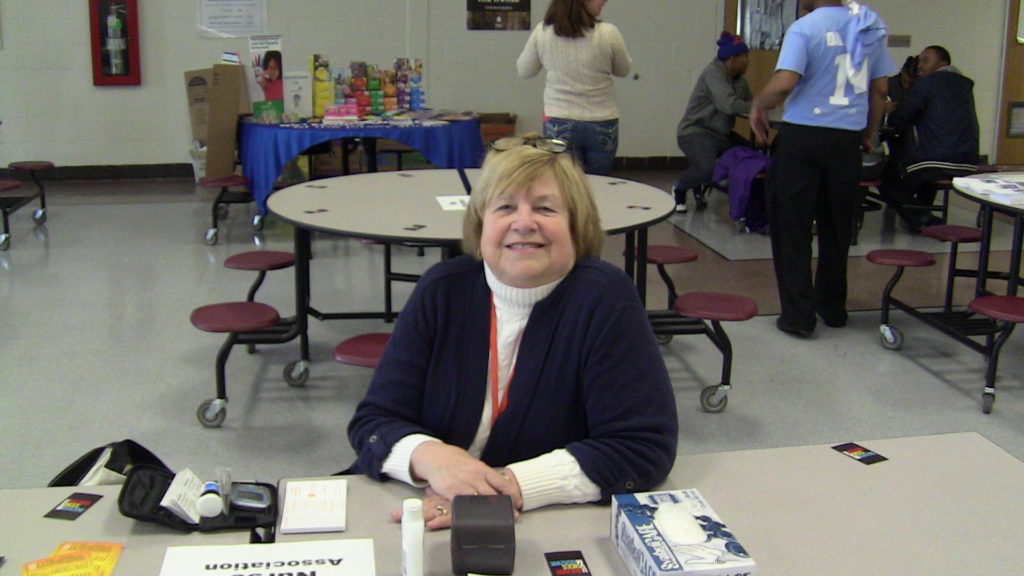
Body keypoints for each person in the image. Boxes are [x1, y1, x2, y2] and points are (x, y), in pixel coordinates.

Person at [346, 138, 678, 530]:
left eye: (545, 208)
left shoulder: (605, 299)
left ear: (576, 223)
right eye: (505, 207)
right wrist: (432, 458)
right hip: (412, 503)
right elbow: (374, 422)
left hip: (542, 521)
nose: (524, 222)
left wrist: (500, 489)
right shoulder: (442, 290)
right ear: (480, 221)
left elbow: (641, 447)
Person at [750, 0, 894, 337]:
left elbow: (786, 80)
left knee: (792, 228)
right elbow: (881, 90)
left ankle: (798, 318)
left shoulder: (806, 27)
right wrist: (867, 133)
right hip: (846, 141)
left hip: (803, 138)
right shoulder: (870, 27)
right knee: (837, 227)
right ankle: (832, 307)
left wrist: (760, 102)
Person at [517, 0, 632, 175]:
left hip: (558, 120)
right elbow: (623, 70)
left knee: (565, 186)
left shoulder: (543, 32)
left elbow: (524, 70)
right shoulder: (608, 33)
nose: (605, 1)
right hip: (602, 122)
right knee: (599, 184)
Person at [884, 45, 979, 233]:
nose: (920, 65)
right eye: (919, 60)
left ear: (942, 63)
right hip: (968, 160)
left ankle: (923, 218)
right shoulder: (964, 86)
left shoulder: (928, 83)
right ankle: (920, 216)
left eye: (926, 60)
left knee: (888, 180)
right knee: (925, 174)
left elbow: (901, 116)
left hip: (935, 160)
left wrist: (889, 113)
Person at [673, 32, 753, 212]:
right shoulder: (713, 74)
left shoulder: (740, 80)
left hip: (721, 134)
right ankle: (680, 188)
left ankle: (747, 201)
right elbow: (729, 105)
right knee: (706, 167)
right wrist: (756, 108)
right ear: (732, 58)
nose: (748, 61)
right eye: (745, 57)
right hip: (696, 131)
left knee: (752, 153)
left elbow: (747, 103)